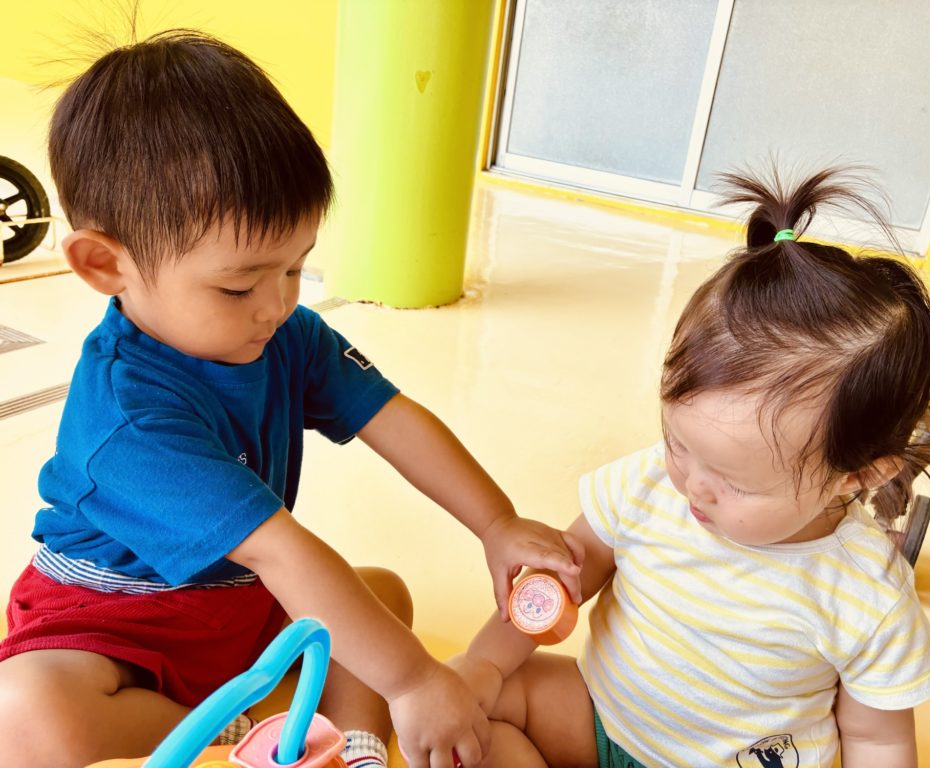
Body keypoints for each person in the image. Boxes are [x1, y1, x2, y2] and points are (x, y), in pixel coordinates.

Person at [0, 30, 583, 768]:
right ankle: (234, 730)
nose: (277, 304)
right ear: (103, 262)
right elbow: (279, 549)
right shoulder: (129, 420)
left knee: (382, 596)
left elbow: (391, 416)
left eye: (297, 267)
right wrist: (411, 678)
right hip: (115, 628)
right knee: (24, 717)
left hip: (240, 605)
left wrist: (495, 523)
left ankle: (357, 749)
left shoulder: (284, 332)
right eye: (240, 285)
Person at [450, 167, 930, 767]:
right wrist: (482, 664)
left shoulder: (865, 593)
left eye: (736, 482)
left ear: (858, 475)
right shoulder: (646, 485)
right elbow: (562, 580)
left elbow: (877, 739)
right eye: (677, 442)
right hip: (601, 719)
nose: (692, 484)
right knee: (480, 704)